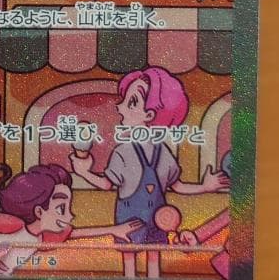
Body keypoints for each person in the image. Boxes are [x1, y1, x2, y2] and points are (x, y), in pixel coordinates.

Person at [71, 67, 228, 243]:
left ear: (149, 114)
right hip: (129, 221)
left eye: (131, 102)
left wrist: (83, 172)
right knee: (133, 253)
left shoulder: (144, 153)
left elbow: (106, 184)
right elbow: (178, 186)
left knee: (152, 253)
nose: (119, 107)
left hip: (158, 221)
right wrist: (204, 187)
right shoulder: (128, 152)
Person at [0, 163, 141, 274]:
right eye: (61, 208)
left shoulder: (42, 238)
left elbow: (77, 233)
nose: (70, 215)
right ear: (39, 211)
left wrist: (113, 230)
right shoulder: (15, 225)